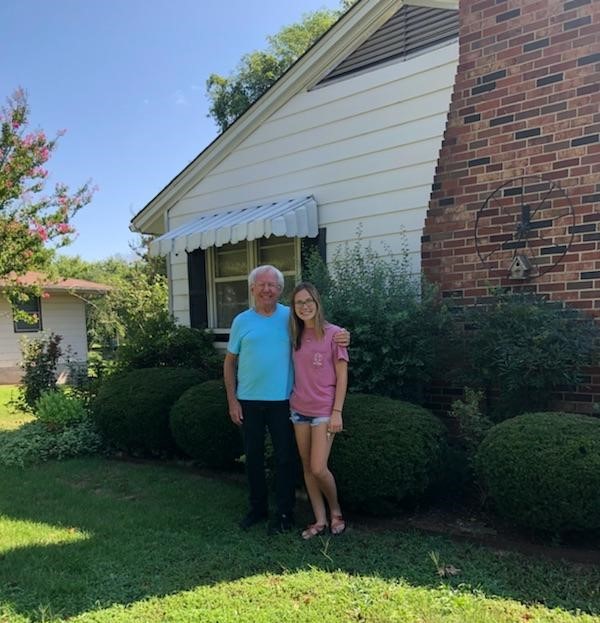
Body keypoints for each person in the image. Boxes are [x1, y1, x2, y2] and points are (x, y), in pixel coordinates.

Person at [224, 265, 348, 535]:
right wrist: (232, 400)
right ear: (252, 288)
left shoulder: (289, 317)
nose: (267, 289)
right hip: (248, 401)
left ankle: (284, 513)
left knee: (285, 460)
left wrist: (342, 335)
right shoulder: (241, 321)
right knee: (254, 458)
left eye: (273, 285)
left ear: (280, 290)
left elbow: (320, 330)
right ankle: (257, 509)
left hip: (284, 402)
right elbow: (229, 362)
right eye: (262, 284)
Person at [289, 281, 348, 539]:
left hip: (324, 410)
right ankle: (320, 519)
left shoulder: (335, 334)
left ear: (317, 303)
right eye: (299, 302)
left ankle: (336, 511)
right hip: (298, 409)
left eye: (308, 301)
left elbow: (342, 376)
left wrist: (337, 411)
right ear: (294, 307)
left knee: (318, 467)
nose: (304, 306)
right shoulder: (293, 336)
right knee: (305, 464)